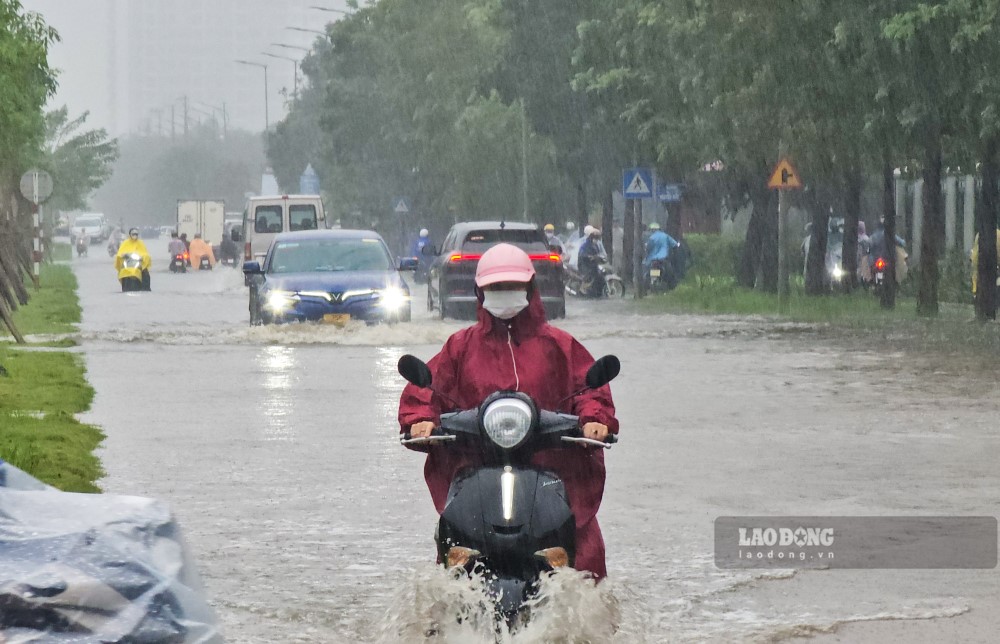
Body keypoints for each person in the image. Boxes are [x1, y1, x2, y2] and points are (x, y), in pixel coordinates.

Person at [398, 243, 618, 578]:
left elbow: (588, 388)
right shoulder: (461, 347)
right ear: (480, 292)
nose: (504, 294)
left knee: (584, 552)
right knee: (455, 551)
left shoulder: (559, 346)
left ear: (531, 289)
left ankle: (588, 617)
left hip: (550, 473)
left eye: (512, 287)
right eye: (495, 288)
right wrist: (420, 421)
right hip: (477, 470)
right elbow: (428, 389)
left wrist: (594, 421)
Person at [970, 228, 1000, 298]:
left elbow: (974, 256)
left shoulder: (980, 234)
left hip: (982, 266)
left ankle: (976, 294)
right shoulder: (997, 234)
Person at [578, 225, 606, 297]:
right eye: (594, 238)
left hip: (593, 265)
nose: (596, 240)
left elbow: (599, 253)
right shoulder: (585, 245)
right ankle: (585, 289)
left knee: (599, 276)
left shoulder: (596, 245)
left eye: (597, 238)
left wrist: (599, 257)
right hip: (585, 265)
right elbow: (582, 255)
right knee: (593, 275)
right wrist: (589, 257)